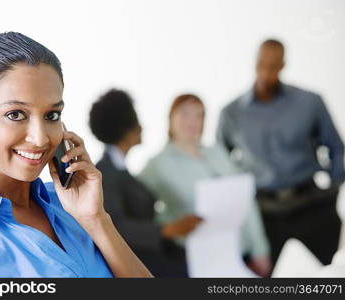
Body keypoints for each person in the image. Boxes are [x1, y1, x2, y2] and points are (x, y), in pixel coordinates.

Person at [0, 32, 152, 278]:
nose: (41, 138)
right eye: (15, 114)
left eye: (51, 116)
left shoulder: (70, 207)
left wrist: (96, 219)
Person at [216, 39, 345, 266]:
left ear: (283, 65)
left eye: (274, 65)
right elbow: (218, 162)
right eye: (262, 63)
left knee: (337, 269)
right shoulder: (231, 113)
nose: (266, 71)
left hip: (311, 203)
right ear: (254, 62)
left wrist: (334, 188)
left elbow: (336, 147)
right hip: (262, 213)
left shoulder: (310, 102)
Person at [139, 94, 271, 277]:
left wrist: (260, 249)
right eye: (185, 114)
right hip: (200, 259)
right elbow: (136, 210)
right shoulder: (157, 165)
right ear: (171, 118)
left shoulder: (217, 153)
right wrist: (169, 225)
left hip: (243, 251)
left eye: (199, 115)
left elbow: (246, 199)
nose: (193, 121)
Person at [89, 89, 202, 277]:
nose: (142, 127)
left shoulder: (121, 169)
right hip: (138, 261)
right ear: (126, 130)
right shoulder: (104, 174)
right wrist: (168, 229)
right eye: (136, 121)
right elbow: (116, 225)